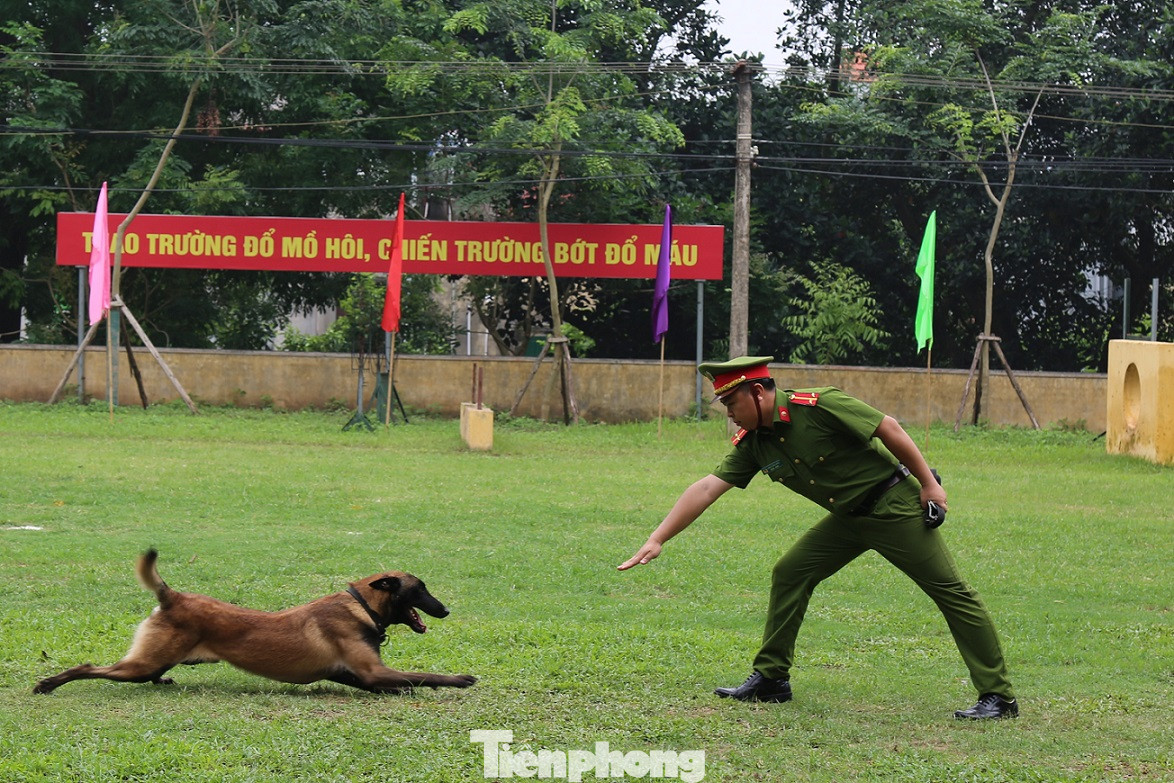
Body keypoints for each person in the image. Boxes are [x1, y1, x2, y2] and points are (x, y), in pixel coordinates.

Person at [618, 356, 1018, 720]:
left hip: (892, 507)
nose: (730, 415)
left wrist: (929, 486)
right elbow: (707, 487)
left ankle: (998, 697)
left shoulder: (820, 404)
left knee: (951, 592)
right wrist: (658, 538)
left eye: (731, 404)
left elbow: (888, 428)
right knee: (791, 572)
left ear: (758, 392)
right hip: (847, 519)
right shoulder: (756, 442)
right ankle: (772, 679)